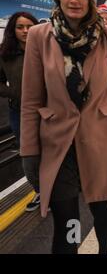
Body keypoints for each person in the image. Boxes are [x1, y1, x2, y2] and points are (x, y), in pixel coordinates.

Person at [20, 0, 107, 254]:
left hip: (101, 139)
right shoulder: (39, 37)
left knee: (101, 210)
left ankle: (104, 250)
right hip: (59, 145)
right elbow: (31, 100)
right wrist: (29, 151)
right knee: (66, 219)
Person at [0, 12, 39, 211]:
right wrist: (14, 92)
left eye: (29, 26)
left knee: (51, 153)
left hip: (47, 111)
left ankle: (53, 190)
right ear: (12, 29)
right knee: (29, 156)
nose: (25, 31)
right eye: (20, 27)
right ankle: (40, 188)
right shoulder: (5, 53)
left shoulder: (46, 49)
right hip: (19, 112)